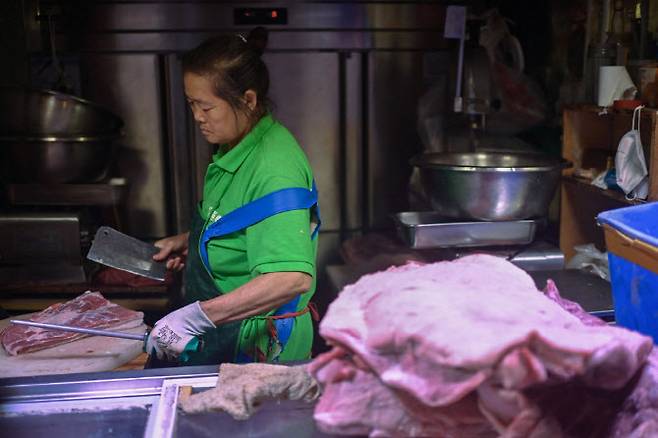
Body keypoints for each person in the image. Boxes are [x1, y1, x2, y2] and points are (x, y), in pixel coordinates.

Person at [146, 28, 320, 365]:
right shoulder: (236, 146)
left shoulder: (273, 169)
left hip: (258, 350)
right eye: (191, 103)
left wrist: (193, 319)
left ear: (249, 101)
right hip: (227, 333)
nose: (197, 116)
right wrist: (194, 241)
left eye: (207, 107)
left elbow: (290, 277)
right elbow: (250, 220)